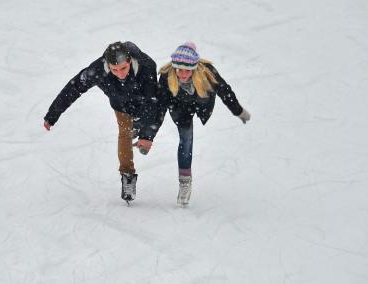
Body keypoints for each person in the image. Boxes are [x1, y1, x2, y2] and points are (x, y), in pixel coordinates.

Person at [43, 41, 157, 204]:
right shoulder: (96, 70)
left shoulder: (146, 67)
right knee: (124, 133)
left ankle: (137, 126)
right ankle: (127, 176)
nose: (119, 73)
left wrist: (147, 135)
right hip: (119, 103)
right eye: (114, 69)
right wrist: (53, 114)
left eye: (123, 68)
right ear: (107, 65)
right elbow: (73, 88)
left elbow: (152, 102)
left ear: (129, 61)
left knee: (142, 121)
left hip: (142, 101)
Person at [152, 42, 251, 206]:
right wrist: (149, 135)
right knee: (186, 139)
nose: (182, 74)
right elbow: (160, 107)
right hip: (179, 108)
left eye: (187, 70)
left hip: (201, 104)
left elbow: (225, 91)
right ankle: (185, 182)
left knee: (187, 138)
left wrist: (238, 111)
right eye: (179, 69)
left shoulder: (207, 72)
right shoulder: (166, 76)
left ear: (194, 68)